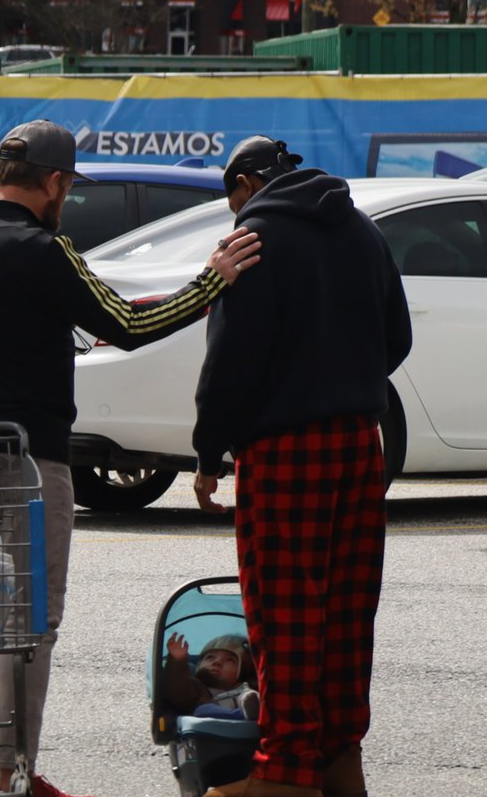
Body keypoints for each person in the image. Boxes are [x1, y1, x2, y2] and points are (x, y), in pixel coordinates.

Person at [0, 119, 261, 796]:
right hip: (30, 456)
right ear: (53, 182)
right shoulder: (47, 249)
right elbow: (129, 324)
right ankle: (13, 772)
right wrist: (211, 280)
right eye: (66, 184)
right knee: (32, 619)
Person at [191, 136, 413, 797]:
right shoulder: (361, 229)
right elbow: (397, 335)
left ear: (246, 183)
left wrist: (209, 453)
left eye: (233, 195)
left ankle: (286, 770)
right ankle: (340, 758)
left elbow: (230, 360)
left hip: (284, 448)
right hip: (358, 442)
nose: (233, 210)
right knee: (347, 608)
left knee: (285, 607)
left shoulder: (255, 238)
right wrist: (345, 376)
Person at [163, 632, 260, 721]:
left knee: (248, 695)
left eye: (229, 660)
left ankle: (252, 709)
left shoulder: (244, 687)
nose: (217, 662)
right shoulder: (197, 686)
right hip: (210, 726)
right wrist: (178, 661)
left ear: (243, 670)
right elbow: (179, 691)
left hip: (244, 705)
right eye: (210, 657)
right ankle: (243, 715)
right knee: (203, 710)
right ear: (199, 665)